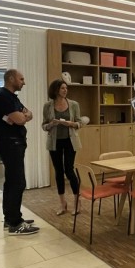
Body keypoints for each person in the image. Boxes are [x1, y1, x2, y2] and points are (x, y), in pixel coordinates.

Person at [0, 69, 39, 234]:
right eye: (21, 79)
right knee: (17, 182)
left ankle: (11, 218)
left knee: (13, 182)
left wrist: (22, 116)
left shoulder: (12, 97)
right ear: (11, 79)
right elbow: (20, 119)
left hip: (15, 143)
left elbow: (29, 114)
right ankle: (15, 223)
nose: (24, 82)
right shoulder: (2, 97)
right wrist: (21, 117)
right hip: (10, 143)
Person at [42, 79, 83, 215]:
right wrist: (51, 124)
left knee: (69, 170)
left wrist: (71, 124)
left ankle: (77, 201)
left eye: (66, 88)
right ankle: (62, 203)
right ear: (56, 90)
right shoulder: (47, 106)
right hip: (54, 142)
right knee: (58, 171)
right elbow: (44, 125)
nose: (65, 90)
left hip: (70, 141)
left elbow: (79, 123)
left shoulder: (74, 104)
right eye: (62, 88)